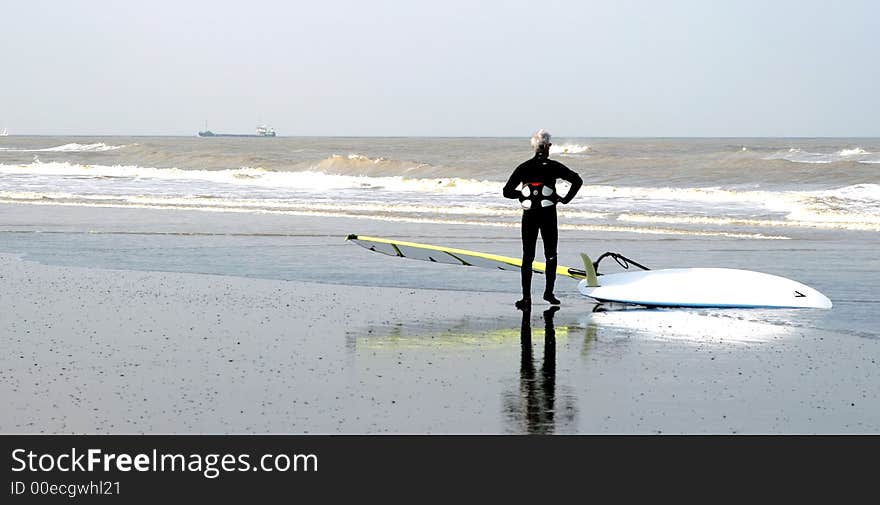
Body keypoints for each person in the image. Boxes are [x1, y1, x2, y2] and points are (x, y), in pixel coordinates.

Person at [503, 129, 582, 310]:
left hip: (529, 216)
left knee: (527, 256)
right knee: (551, 255)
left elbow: (506, 192)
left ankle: (526, 298)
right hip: (548, 215)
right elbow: (577, 180)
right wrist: (565, 199)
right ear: (547, 146)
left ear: (535, 146)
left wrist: (524, 195)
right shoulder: (554, 166)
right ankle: (549, 293)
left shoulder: (523, 167)